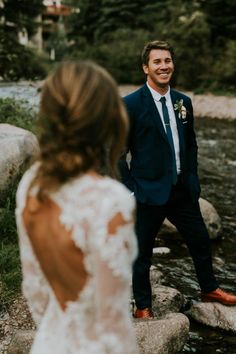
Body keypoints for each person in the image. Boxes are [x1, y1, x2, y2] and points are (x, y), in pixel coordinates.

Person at [15, 61, 139, 354]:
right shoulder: (110, 200)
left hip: (49, 342)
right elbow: (114, 323)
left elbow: (35, 292)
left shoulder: (32, 184)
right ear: (106, 118)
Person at [119, 40, 236, 319]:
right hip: (147, 191)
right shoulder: (130, 104)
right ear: (145, 67)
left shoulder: (184, 102)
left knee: (200, 240)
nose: (164, 66)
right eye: (157, 62)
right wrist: (131, 190)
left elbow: (191, 144)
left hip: (182, 189)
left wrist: (193, 179)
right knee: (142, 251)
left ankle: (209, 288)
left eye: (167, 61)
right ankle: (143, 306)